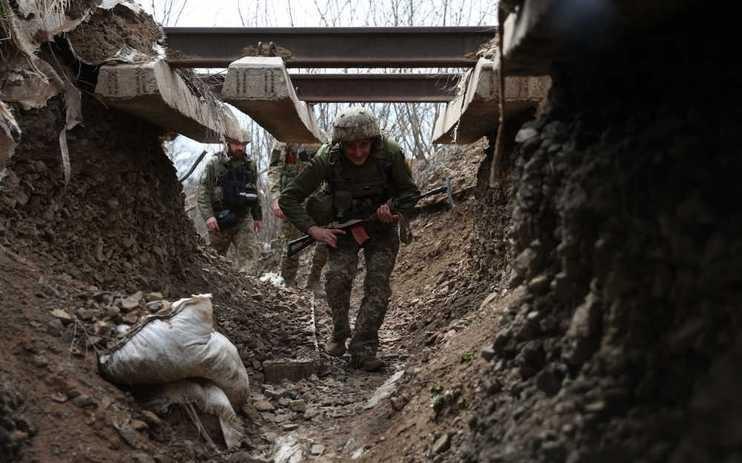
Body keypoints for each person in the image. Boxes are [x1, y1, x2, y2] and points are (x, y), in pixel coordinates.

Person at [279, 108, 420, 371]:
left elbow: (411, 193)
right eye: (350, 147)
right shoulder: (326, 158)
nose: (357, 153)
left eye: (363, 145)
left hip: (380, 229)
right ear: (340, 145)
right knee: (336, 279)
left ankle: (364, 348)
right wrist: (313, 230)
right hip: (343, 229)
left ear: (374, 142)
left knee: (378, 286)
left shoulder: (390, 153)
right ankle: (340, 331)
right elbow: (288, 198)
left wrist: (394, 208)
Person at [197, 131, 263, 274]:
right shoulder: (214, 164)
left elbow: (253, 191)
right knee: (214, 261)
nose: (240, 148)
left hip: (243, 218)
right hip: (221, 219)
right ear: (228, 144)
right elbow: (203, 192)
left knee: (250, 256)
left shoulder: (250, 165)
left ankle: (248, 291)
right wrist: (208, 216)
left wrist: (257, 216)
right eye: (236, 144)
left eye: (243, 145)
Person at [268, 141, 328, 289]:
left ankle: (314, 280)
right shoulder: (283, 142)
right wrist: (276, 198)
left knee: (326, 238)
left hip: (315, 199)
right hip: (292, 199)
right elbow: (274, 170)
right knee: (292, 244)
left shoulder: (319, 138)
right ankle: (287, 283)